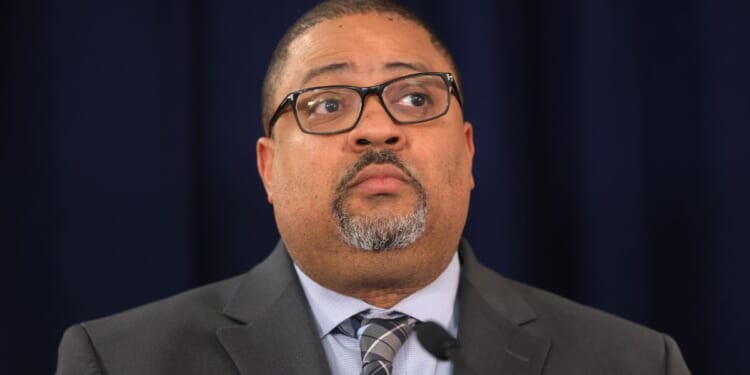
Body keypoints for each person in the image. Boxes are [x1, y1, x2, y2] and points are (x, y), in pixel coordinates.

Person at [55, 1, 691, 374]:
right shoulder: (119, 362)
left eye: (416, 97)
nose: (378, 129)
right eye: (328, 104)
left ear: (468, 152)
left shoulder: (632, 362)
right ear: (268, 168)